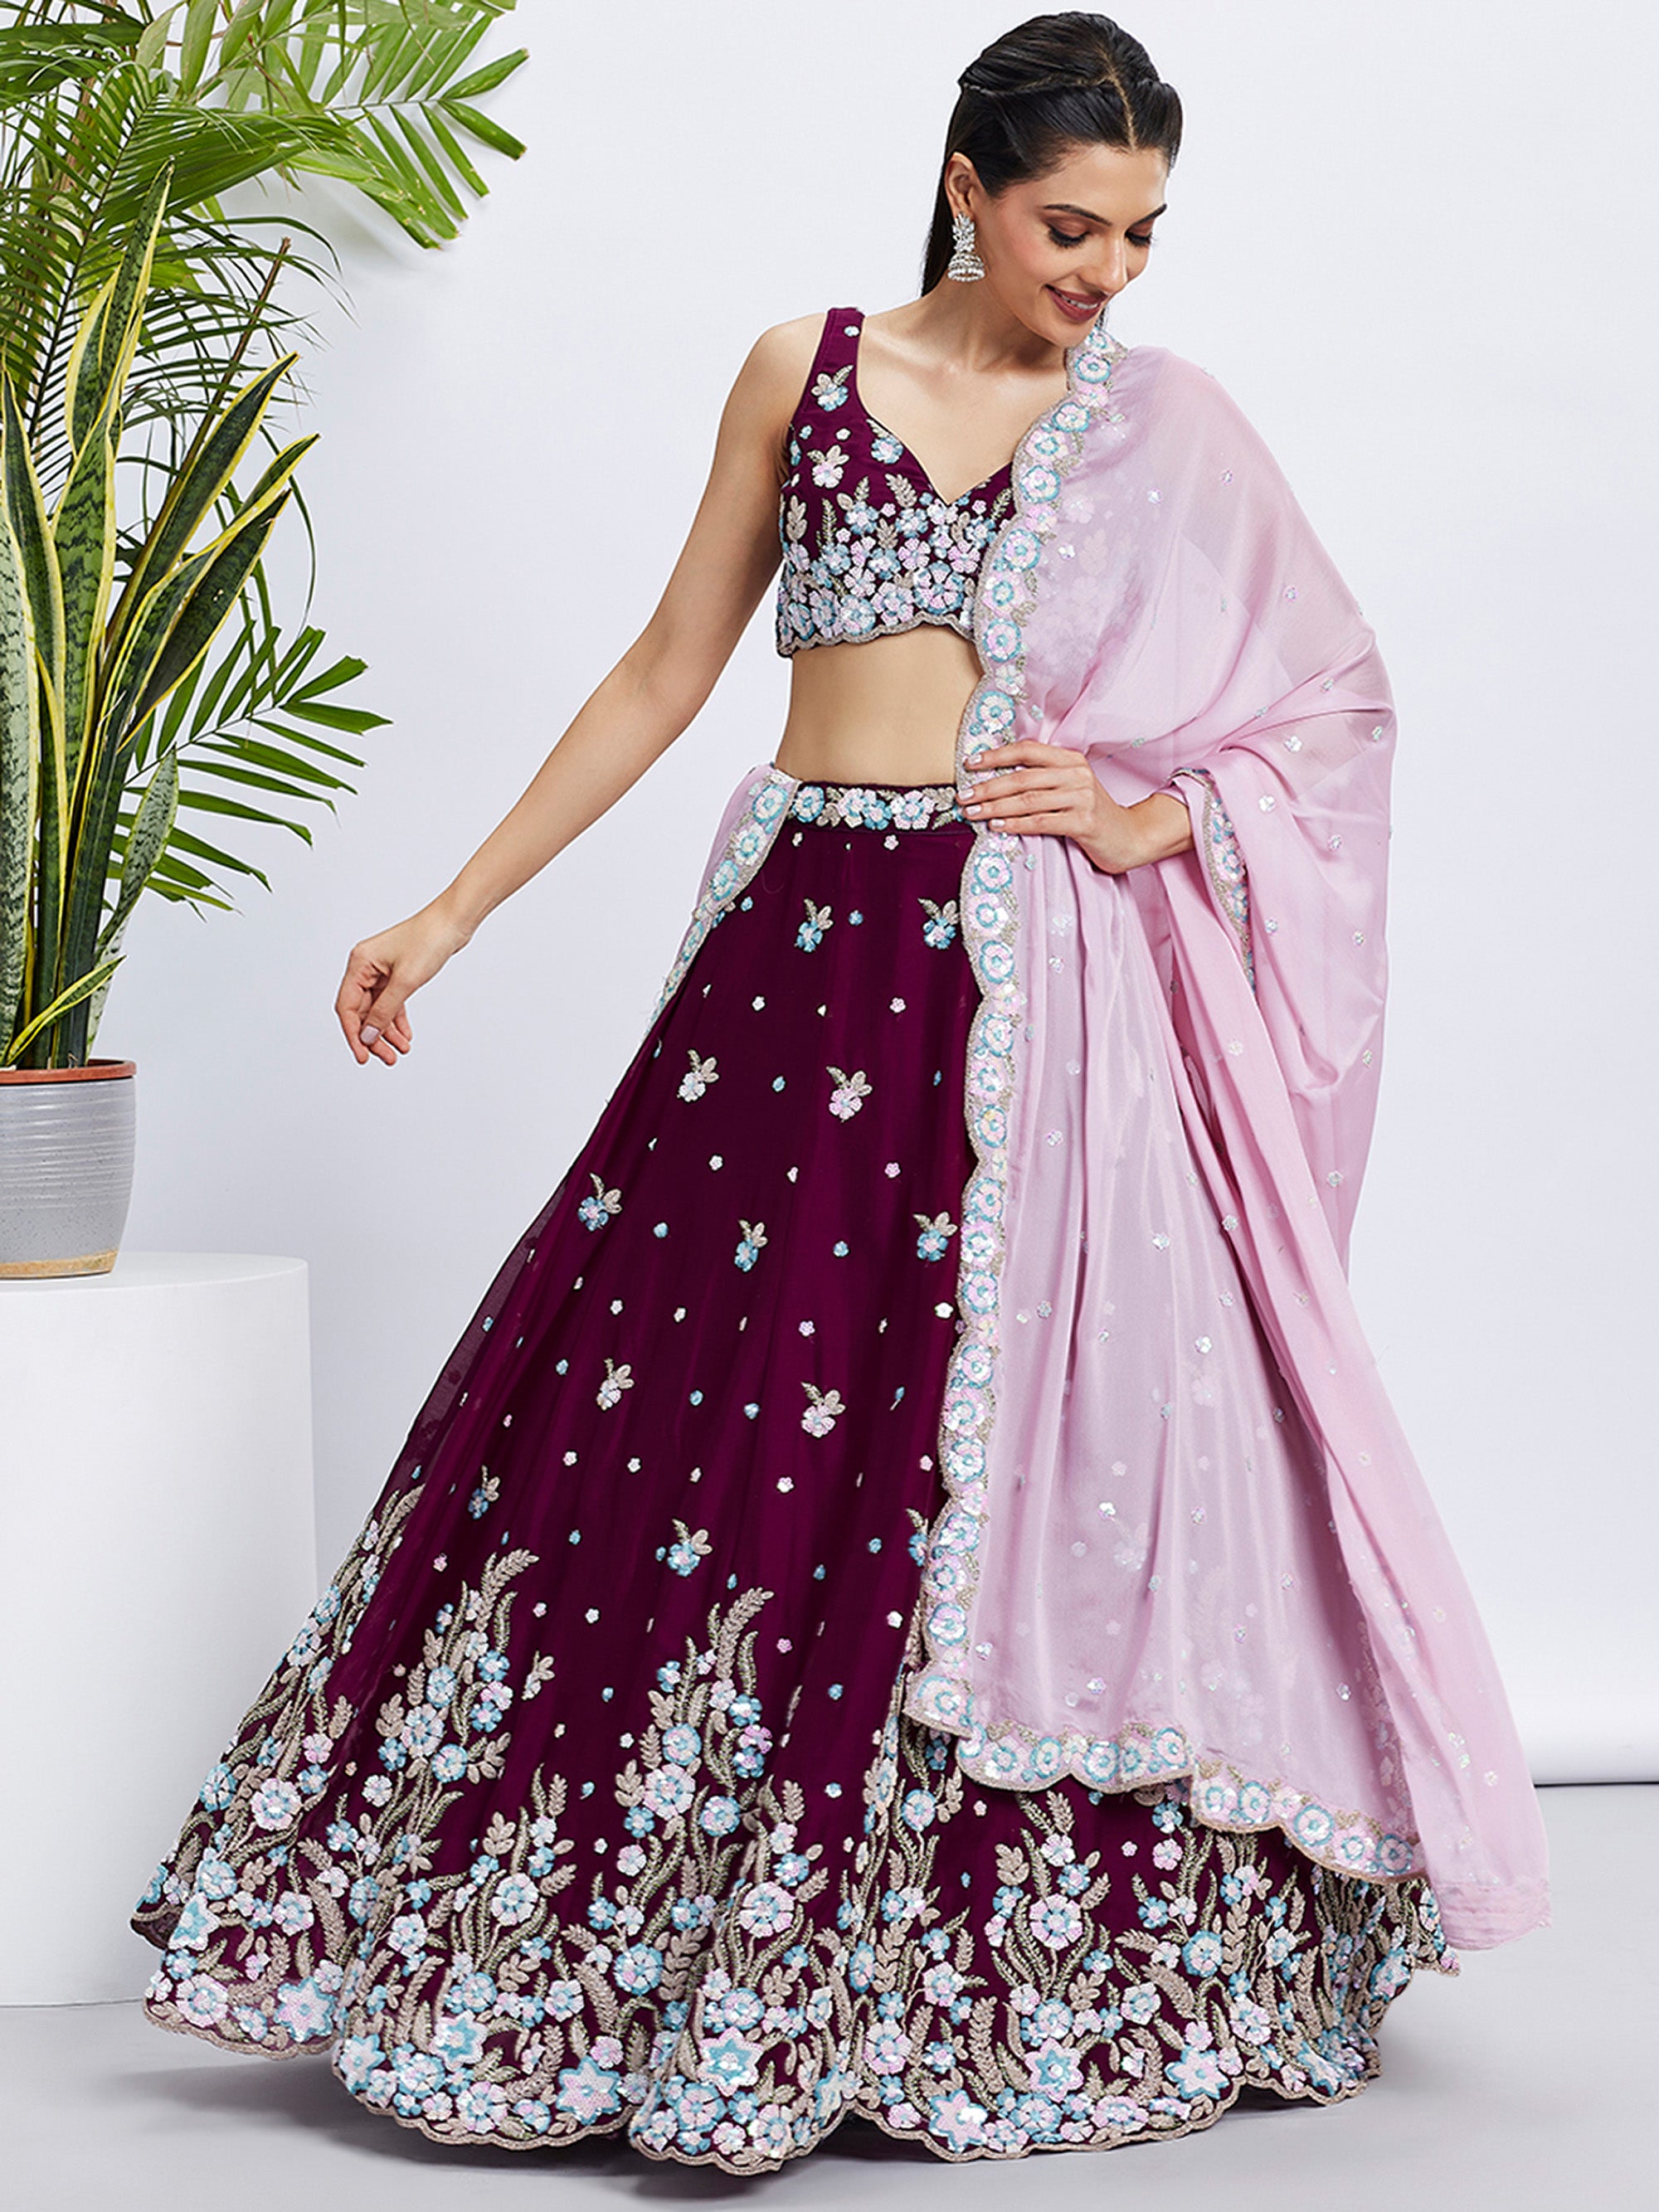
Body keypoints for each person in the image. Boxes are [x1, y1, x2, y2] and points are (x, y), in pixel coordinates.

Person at [133, 10, 1550, 2173]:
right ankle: (603, 1921)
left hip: (1031, 988)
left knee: (976, 1449)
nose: (1105, 274)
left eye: (1143, 235)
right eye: (1070, 227)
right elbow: (665, 670)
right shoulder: (800, 372)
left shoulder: (1159, 423)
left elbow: (1331, 704)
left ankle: (952, 1949)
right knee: (677, 1401)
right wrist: (453, 909)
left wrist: (1152, 820)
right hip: (799, 953)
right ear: (968, 185)